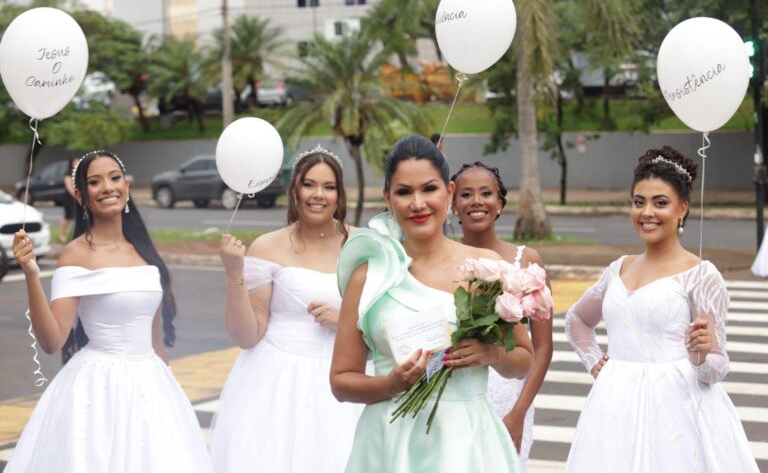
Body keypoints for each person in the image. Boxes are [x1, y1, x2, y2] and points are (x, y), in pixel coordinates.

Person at [331, 135, 533, 472]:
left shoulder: (485, 268)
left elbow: (523, 360)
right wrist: (390, 384)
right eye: (404, 192)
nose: (418, 204)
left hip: (464, 442)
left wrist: (492, 354)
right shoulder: (368, 276)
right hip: (389, 441)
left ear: (449, 192)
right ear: (387, 198)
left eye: (429, 189)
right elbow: (341, 381)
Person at [7, 150, 210, 473]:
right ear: (80, 196)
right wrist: (32, 275)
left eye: (115, 178)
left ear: (126, 186)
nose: (108, 187)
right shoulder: (76, 254)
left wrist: (169, 394)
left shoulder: (144, 250)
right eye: (95, 182)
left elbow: (156, 342)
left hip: (151, 385)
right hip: (97, 389)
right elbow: (52, 340)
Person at [565, 146, 759, 472]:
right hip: (614, 410)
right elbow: (577, 319)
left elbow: (717, 365)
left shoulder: (701, 275)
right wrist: (596, 363)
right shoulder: (618, 268)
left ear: (683, 207)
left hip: (677, 415)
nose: (647, 212)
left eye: (660, 203)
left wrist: (701, 356)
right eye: (638, 202)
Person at [210, 145, 362, 472]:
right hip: (275, 381)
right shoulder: (267, 246)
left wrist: (346, 321)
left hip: (344, 374)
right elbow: (247, 336)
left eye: (328, 186)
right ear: (295, 190)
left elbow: (386, 321)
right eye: (309, 185)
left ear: (339, 194)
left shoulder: (363, 244)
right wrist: (234, 274)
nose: (318, 195)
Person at [451, 161, 553, 472]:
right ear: (453, 204)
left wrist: (519, 412)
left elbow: (543, 347)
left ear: (500, 203)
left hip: (509, 394)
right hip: (458, 391)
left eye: (486, 193)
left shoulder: (527, 261)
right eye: (466, 194)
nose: (476, 201)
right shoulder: (444, 260)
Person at [60, 156, 78, 243]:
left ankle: (74, 235)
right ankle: (62, 235)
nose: (76, 163)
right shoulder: (68, 173)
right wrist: (76, 196)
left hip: (77, 197)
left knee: (76, 216)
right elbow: (69, 187)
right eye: (75, 161)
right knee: (67, 216)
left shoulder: (79, 173)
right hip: (70, 198)